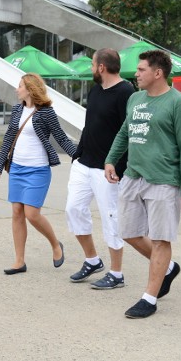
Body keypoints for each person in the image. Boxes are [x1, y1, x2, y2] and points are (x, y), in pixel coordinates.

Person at [105, 50, 181, 319]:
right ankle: (168, 269)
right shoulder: (135, 99)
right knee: (129, 232)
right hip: (134, 176)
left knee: (160, 239)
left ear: (158, 73)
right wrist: (111, 159)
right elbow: (126, 131)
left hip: (164, 181)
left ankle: (149, 297)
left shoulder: (180, 104)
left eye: (141, 69)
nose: (136, 73)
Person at [0, 73, 76, 275]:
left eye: (20, 86)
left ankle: (56, 244)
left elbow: (61, 138)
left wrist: (80, 156)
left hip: (38, 169)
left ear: (30, 89)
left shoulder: (46, 112)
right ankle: (19, 261)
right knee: (16, 212)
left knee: (32, 213)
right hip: (17, 169)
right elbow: (8, 139)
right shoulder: (16, 110)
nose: (17, 89)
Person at [66, 49, 134, 289]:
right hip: (84, 163)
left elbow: (129, 133)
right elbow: (90, 124)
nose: (91, 68)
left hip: (109, 169)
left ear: (102, 67)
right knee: (73, 209)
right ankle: (92, 260)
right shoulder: (95, 91)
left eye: (93, 64)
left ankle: (117, 274)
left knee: (111, 218)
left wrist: (119, 166)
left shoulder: (126, 92)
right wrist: (78, 153)